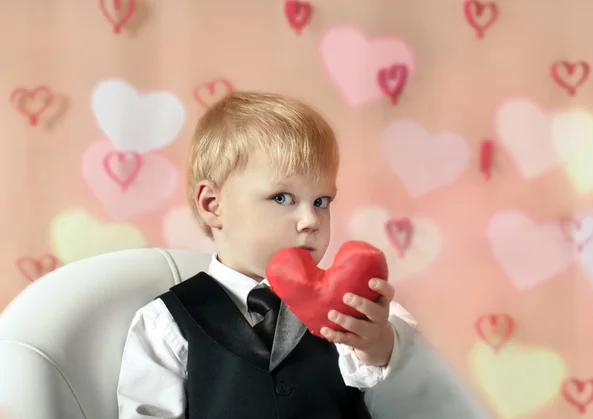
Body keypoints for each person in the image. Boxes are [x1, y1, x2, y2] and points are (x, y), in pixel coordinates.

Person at [116, 91, 417, 419]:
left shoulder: (343, 303)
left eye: (321, 201)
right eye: (282, 198)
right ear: (213, 205)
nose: (310, 220)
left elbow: (402, 341)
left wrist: (375, 342)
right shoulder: (165, 323)